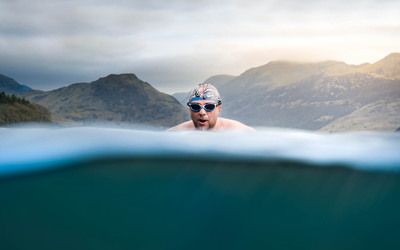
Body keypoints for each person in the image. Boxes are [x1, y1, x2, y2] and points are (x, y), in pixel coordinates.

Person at [168, 83, 255, 131]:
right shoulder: (175, 133)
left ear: (219, 108)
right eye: (195, 107)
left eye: (209, 107)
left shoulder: (238, 131)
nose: (202, 112)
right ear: (190, 109)